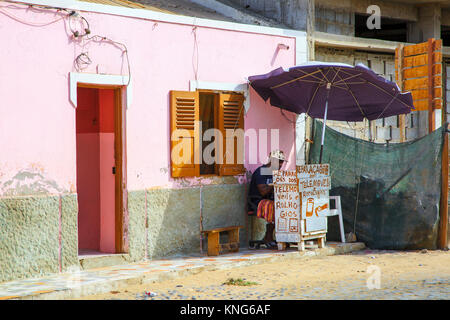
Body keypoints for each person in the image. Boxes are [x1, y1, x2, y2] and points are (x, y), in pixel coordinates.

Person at [248, 150, 286, 249]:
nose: (281, 164)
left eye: (282, 162)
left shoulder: (275, 173)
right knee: (275, 207)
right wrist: (275, 184)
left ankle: (270, 236)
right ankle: (268, 237)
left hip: (269, 200)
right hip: (257, 201)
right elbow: (263, 192)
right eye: (279, 161)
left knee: (285, 206)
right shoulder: (262, 171)